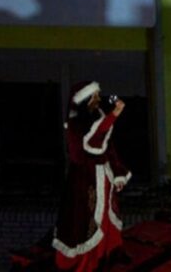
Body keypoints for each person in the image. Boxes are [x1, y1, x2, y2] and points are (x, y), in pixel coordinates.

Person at [53, 81, 131, 272]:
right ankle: (89, 262)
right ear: (85, 99)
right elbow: (92, 140)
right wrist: (114, 115)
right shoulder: (76, 124)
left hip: (103, 176)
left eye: (97, 95)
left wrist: (118, 174)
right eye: (94, 96)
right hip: (85, 179)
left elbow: (108, 147)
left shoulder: (99, 115)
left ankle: (109, 254)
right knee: (86, 219)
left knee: (106, 216)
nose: (98, 98)